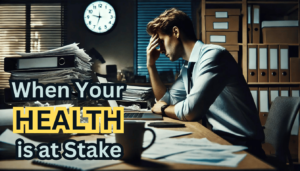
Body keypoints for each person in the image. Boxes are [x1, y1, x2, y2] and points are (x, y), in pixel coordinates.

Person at [146, 8, 266, 159]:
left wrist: (163, 108)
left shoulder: (213, 56)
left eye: (161, 41)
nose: (160, 49)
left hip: (243, 145)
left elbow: (190, 111)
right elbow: (167, 100)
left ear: (176, 32)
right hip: (221, 139)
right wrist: (151, 65)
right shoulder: (189, 67)